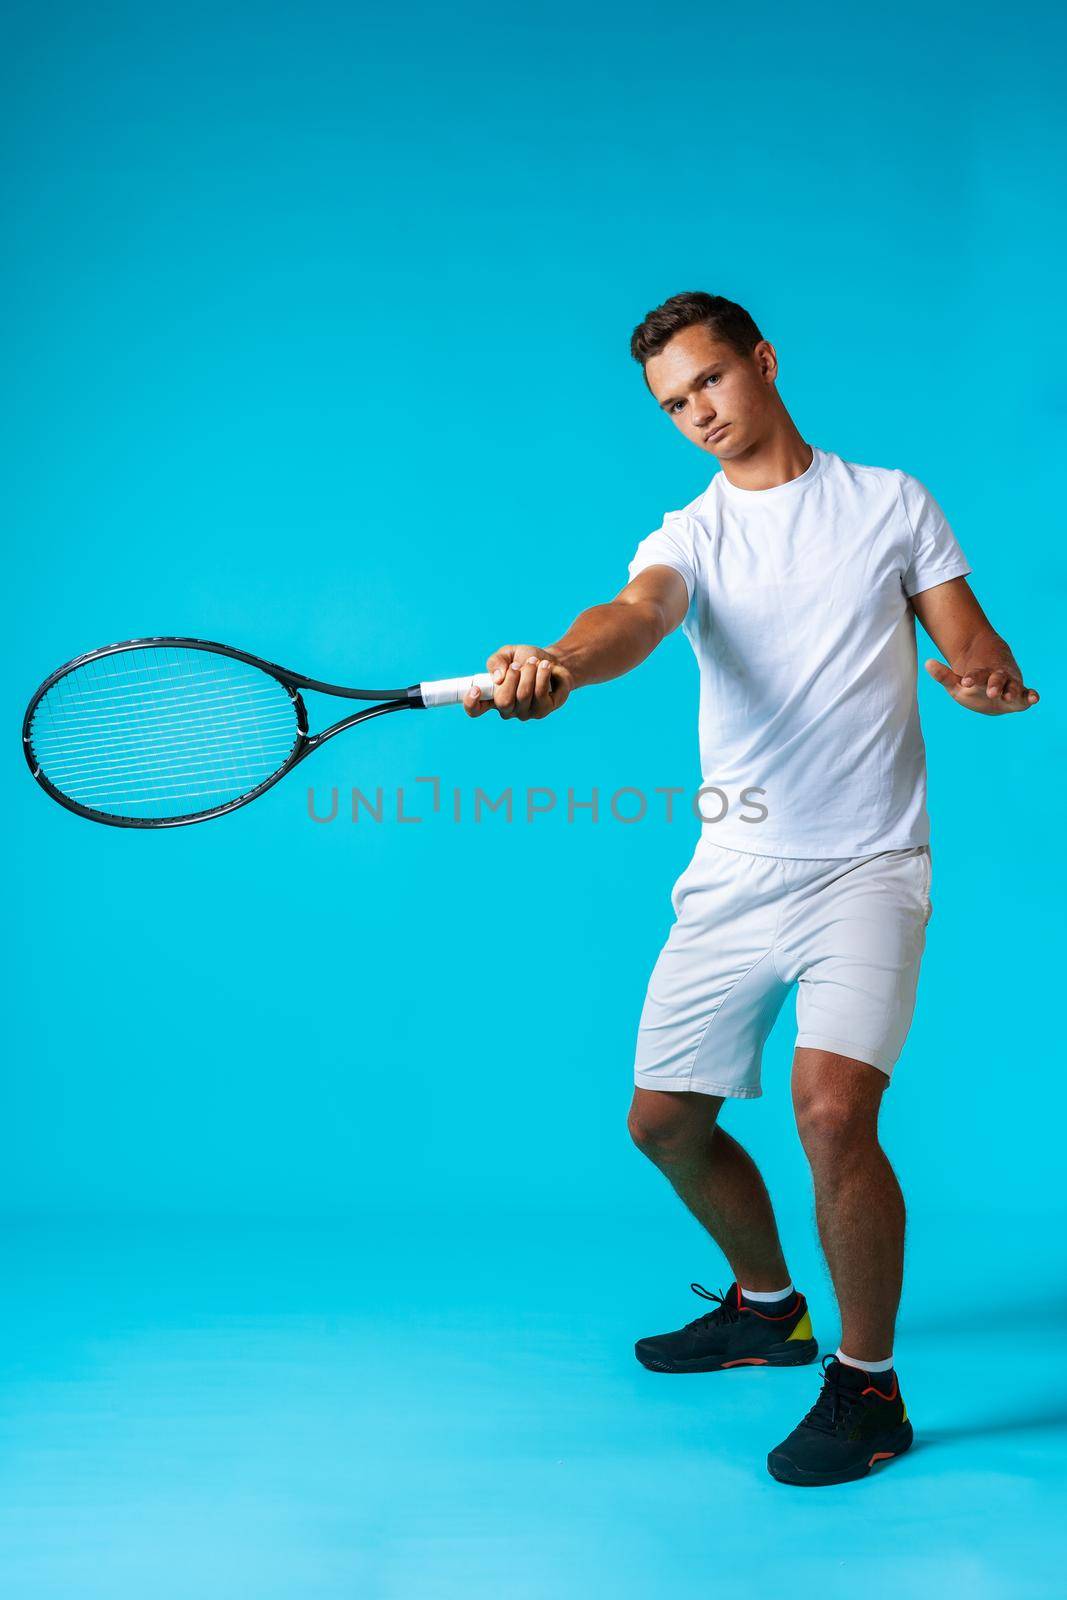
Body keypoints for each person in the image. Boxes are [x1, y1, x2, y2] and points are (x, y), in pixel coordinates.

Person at [463, 291, 1039, 1486]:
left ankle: (867, 1388)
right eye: (673, 404)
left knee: (830, 1111)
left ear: (762, 361)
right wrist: (559, 664)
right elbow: (630, 616)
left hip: (868, 867)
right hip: (732, 874)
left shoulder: (889, 501)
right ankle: (768, 1310)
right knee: (661, 1123)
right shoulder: (686, 536)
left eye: (709, 381)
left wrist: (981, 677)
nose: (697, 414)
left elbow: (970, 646)